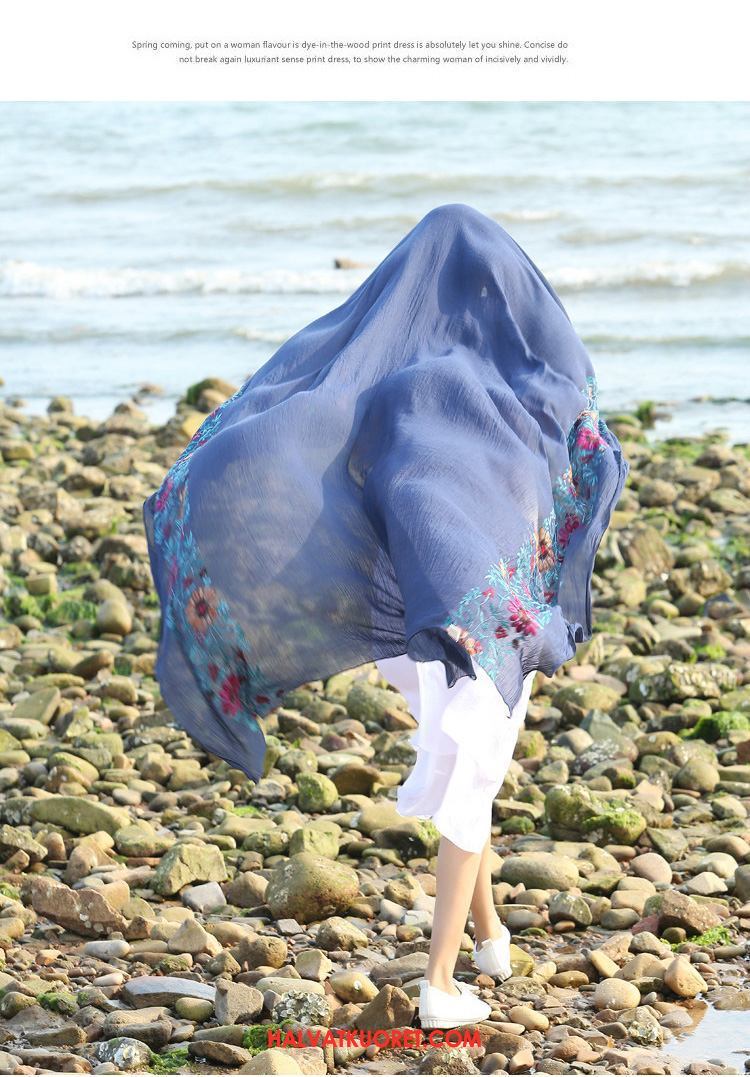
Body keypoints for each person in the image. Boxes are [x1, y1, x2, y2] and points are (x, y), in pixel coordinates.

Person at [143, 202, 629, 1028]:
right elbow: (573, 451)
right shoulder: (519, 393)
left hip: (416, 626)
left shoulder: (390, 384)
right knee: (474, 774)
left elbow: (327, 452)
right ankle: (439, 983)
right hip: (486, 622)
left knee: (469, 761)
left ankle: (488, 935)